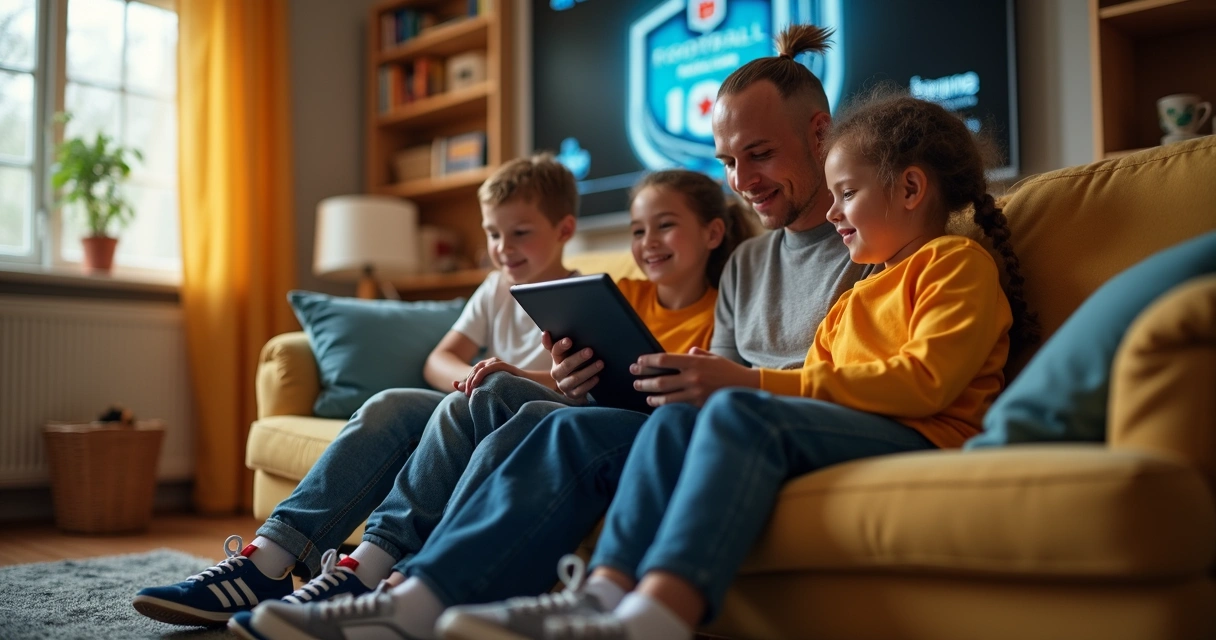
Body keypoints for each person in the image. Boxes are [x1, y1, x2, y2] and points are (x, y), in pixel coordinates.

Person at [243, 24, 872, 640]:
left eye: (759, 155)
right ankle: (408, 592)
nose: (741, 181)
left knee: (558, 422)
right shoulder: (746, 262)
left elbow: (816, 379)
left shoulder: (874, 245)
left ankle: (412, 591)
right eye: (729, 162)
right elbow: (711, 382)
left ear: (821, 136)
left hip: (764, 419)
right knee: (528, 413)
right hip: (692, 416)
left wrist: (706, 381)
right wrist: (585, 379)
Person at [455, 85, 1043, 639]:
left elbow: (927, 383)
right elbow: (812, 387)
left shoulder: (954, 264)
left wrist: (748, 382)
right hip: (860, 430)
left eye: (847, 194)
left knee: (740, 410)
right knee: (677, 419)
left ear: (911, 190)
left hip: (924, 436)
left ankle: (659, 613)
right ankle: (604, 594)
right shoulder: (854, 299)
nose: (835, 213)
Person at [245, 168, 754, 640]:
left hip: (636, 426)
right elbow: (575, 381)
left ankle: (408, 578)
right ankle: (368, 565)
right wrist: (554, 376)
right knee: (449, 397)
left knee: (516, 404)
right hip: (587, 409)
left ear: (712, 233)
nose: (646, 243)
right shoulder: (619, 292)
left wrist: (535, 381)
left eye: (664, 226)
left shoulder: (724, 311)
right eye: (638, 231)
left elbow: (704, 393)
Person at [132, 154, 582, 628]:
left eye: (520, 233)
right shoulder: (495, 289)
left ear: (564, 230)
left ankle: (371, 571)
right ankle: (267, 559)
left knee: (466, 402)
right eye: (493, 233)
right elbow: (438, 359)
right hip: (473, 400)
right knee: (388, 403)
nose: (503, 248)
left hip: (531, 413)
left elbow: (583, 390)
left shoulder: (584, 296)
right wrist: (472, 376)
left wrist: (509, 375)